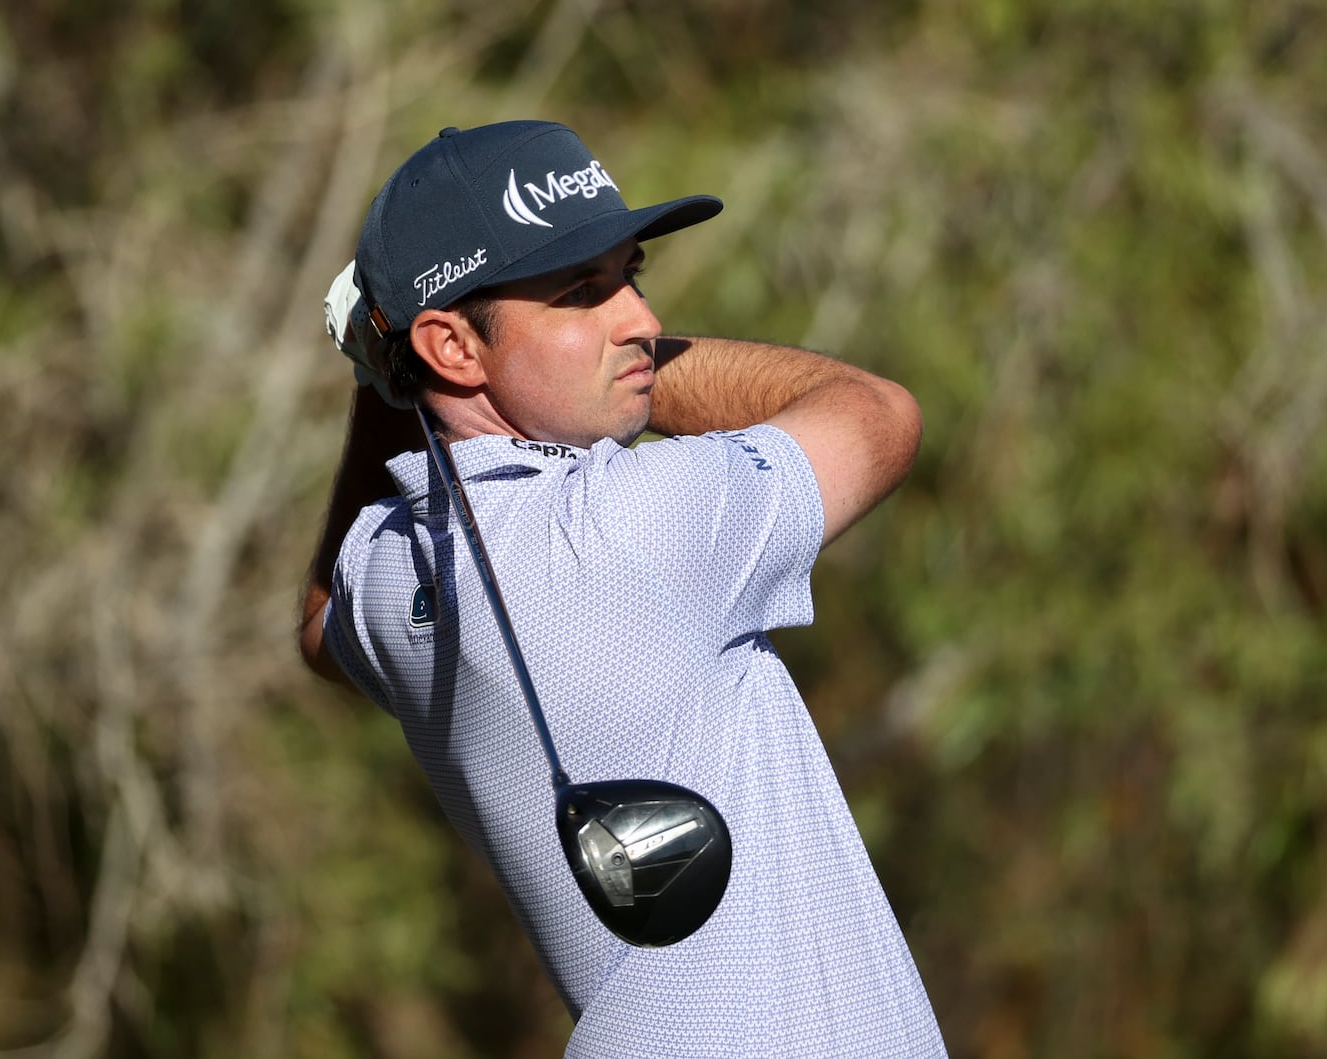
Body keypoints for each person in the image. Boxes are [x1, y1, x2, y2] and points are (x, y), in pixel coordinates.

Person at [300, 121, 947, 1057]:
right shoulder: (630, 525)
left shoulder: (395, 565)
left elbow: (323, 628)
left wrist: (388, 377)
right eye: (581, 293)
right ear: (453, 346)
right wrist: (647, 374)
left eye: (630, 274)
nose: (641, 318)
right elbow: (878, 414)